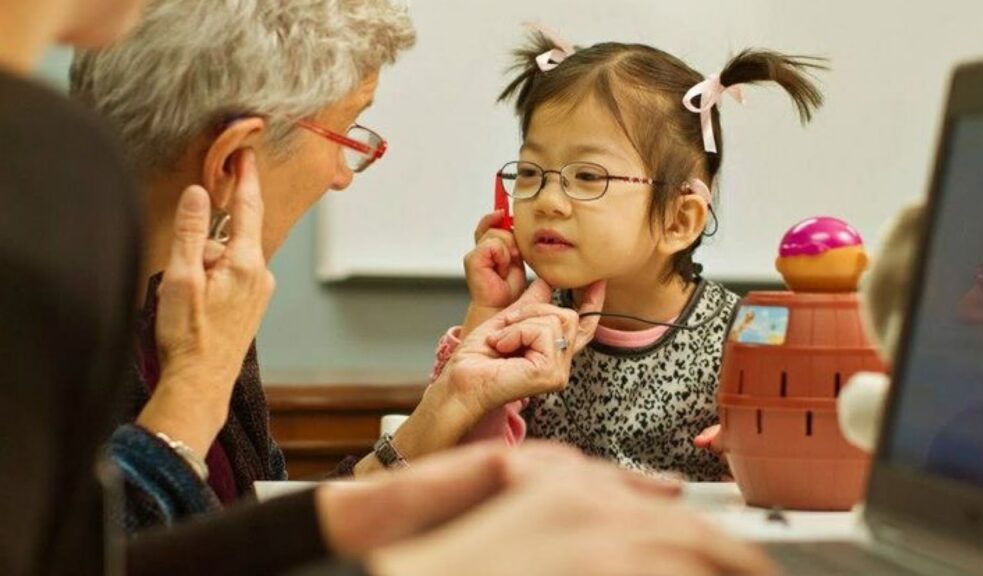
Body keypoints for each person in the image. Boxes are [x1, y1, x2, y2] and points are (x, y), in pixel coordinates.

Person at [1, 0, 775, 575]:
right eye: (348, 132)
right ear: (234, 161)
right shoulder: (64, 266)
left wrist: (440, 425)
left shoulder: (204, 297)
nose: (346, 172)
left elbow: (244, 529)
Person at [433, 26, 825, 479]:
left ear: (679, 220)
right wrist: (489, 312)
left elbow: (799, 466)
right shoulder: (525, 325)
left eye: (588, 177)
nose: (547, 200)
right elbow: (462, 475)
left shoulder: (749, 335)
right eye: (529, 171)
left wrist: (760, 448)